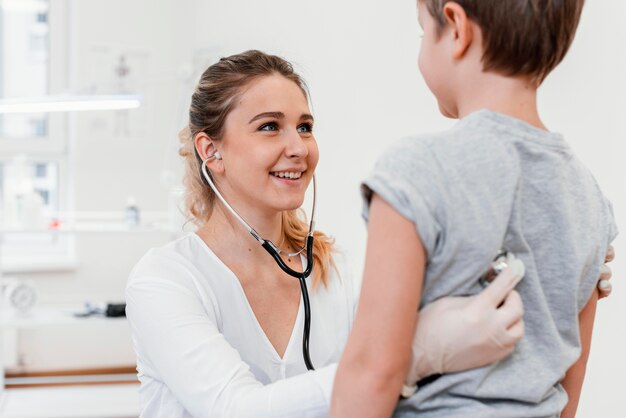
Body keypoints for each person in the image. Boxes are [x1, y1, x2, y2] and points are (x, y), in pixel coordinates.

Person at [125, 51, 614, 418]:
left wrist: (563, 257)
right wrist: (411, 355)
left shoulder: (332, 272)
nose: (298, 147)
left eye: (305, 126)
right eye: (270, 127)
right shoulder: (166, 279)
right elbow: (237, 410)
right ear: (212, 150)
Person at [330, 1, 618, 418]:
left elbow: (372, 373)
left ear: (456, 27)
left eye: (421, 31)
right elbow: (568, 388)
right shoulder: (589, 199)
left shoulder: (417, 169)